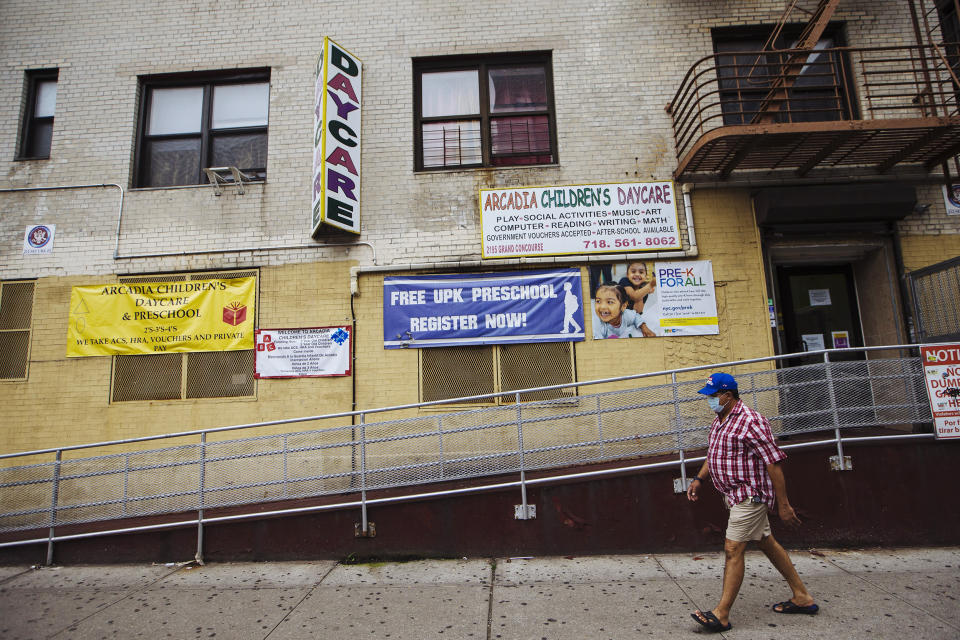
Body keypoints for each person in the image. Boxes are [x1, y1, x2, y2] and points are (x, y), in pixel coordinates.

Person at [687, 372, 818, 633]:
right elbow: (713, 455)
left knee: (733, 549)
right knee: (767, 543)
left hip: (751, 494)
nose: (710, 401)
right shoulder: (719, 420)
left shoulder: (751, 420)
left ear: (728, 395)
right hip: (733, 496)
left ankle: (721, 614)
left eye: (713, 396)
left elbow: (773, 462)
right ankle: (802, 597)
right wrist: (699, 479)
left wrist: (783, 504)